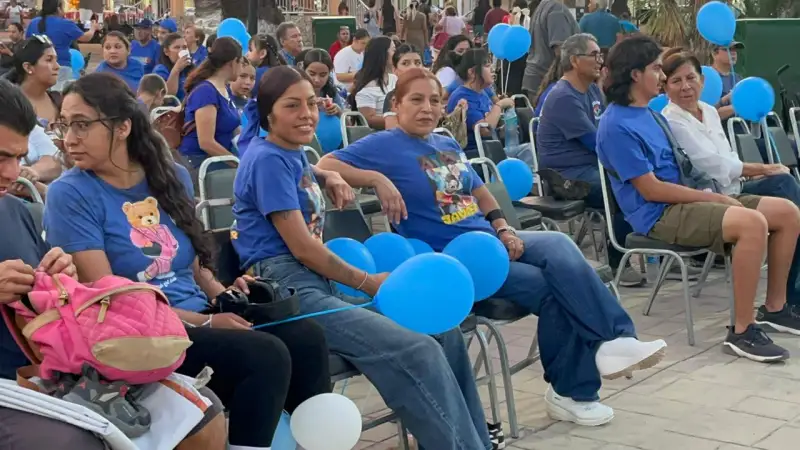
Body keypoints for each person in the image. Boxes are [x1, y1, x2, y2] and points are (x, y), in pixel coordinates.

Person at [317, 67, 669, 428]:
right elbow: (324, 165)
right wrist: (377, 179)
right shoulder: (384, 144)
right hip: (453, 258)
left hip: (487, 239)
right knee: (551, 288)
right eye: (416, 100)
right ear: (397, 103)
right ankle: (573, 392)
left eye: (435, 100)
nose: (427, 108)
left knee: (559, 243)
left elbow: (480, 192)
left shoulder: (445, 142)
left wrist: (503, 227)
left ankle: (617, 341)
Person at [44, 72, 331, 450]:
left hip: (194, 314)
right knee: (264, 355)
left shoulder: (169, 175)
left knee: (306, 337)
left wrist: (222, 293)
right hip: (137, 336)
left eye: (82, 124)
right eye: (65, 125)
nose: (69, 138)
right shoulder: (70, 193)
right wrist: (207, 322)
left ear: (122, 127)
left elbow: (190, 262)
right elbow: (111, 299)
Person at [232, 64, 490, 449]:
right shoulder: (267, 159)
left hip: (315, 281)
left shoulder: (289, 152)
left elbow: (306, 171)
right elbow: (303, 248)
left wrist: (330, 175)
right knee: (417, 348)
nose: (306, 114)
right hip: (288, 291)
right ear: (269, 114)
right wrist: (368, 282)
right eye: (292, 106)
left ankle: (476, 443)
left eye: (311, 103)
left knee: (442, 329)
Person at [0, 77, 230, 450]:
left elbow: (47, 307)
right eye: (1, 158)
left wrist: (60, 280)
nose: (13, 173)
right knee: (74, 442)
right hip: (18, 386)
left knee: (203, 414)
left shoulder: (12, 211)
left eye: (18, 158)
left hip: (52, 372)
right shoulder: (70, 192)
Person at [597, 35, 800, 363]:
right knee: (751, 223)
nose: (662, 76)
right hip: (658, 214)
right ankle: (742, 330)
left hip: (687, 201)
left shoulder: (650, 114)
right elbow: (652, 190)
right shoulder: (615, 125)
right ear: (635, 74)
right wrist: (717, 200)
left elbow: (684, 169)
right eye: (657, 69)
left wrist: (717, 193)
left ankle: (775, 309)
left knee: (787, 212)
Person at [662, 48, 800, 307]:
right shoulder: (671, 120)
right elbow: (711, 165)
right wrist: (763, 168)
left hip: (734, 188)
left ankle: (788, 296)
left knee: (788, 190)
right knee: (784, 186)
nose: (685, 87)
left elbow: (726, 155)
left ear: (702, 81)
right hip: (710, 198)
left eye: (691, 78)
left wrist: (757, 173)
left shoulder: (708, 111)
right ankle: (790, 296)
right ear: (665, 87)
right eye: (676, 81)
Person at [446, 48, 528, 163]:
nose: (492, 69)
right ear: (472, 72)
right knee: (527, 153)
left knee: (530, 149)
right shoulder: (462, 97)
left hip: (492, 149)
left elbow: (491, 124)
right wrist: (499, 105)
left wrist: (502, 128)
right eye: (487, 66)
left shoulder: (482, 92)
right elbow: (484, 130)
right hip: (476, 156)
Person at [178, 37, 243, 169]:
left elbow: (235, 129)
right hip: (200, 163)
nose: (242, 68)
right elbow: (206, 142)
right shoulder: (206, 92)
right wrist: (238, 164)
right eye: (241, 63)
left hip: (218, 160)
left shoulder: (224, 89)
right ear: (232, 63)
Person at [7, 36, 62, 187]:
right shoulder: (10, 107)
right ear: (28, 67)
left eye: (56, 60)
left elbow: (54, 159)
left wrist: (34, 172)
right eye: (49, 60)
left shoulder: (61, 102)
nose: (57, 66)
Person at [25, 0, 100, 91]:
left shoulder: (33, 23)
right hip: (61, 66)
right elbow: (86, 38)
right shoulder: (66, 23)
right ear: (58, 8)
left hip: (38, 67)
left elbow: (27, 41)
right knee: (60, 95)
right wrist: (93, 28)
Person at [522, 0, 579, 103]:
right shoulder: (557, 10)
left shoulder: (543, 7)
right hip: (548, 82)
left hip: (536, 79)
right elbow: (561, 53)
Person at [350, 36, 397, 129]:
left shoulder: (394, 79)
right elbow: (369, 120)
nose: (396, 54)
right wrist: (401, 121)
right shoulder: (367, 90)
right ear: (383, 54)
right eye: (393, 50)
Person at [711, 41, 744, 122]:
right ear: (714, 54)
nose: (733, 53)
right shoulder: (708, 77)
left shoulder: (738, 78)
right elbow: (707, 114)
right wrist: (739, 107)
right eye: (727, 49)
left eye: (735, 50)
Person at [153, 33, 192, 101]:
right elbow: (168, 96)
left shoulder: (189, 68)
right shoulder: (160, 70)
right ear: (166, 52)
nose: (182, 50)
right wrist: (176, 70)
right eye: (177, 47)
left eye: (184, 47)